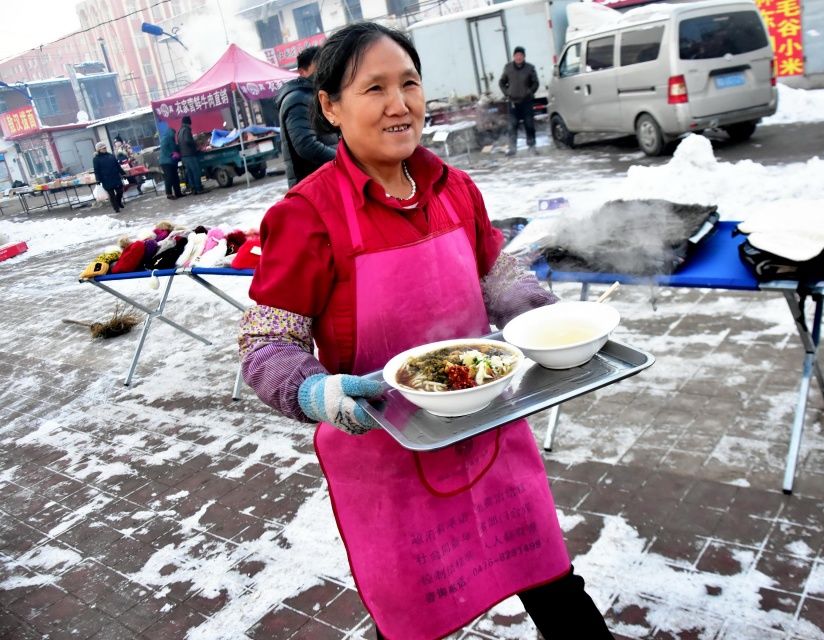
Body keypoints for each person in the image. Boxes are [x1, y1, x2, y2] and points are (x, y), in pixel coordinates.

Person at [239, 22, 613, 640]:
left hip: (491, 434)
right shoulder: (305, 215)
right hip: (391, 460)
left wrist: (545, 321)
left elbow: (498, 277)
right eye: (375, 88)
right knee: (416, 623)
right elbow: (266, 344)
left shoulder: (454, 189)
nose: (399, 103)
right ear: (329, 107)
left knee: (554, 586)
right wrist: (318, 393)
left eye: (409, 83)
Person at [277, 45, 338, 187]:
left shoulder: (318, 95)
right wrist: (341, 160)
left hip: (327, 179)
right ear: (302, 72)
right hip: (312, 184)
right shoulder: (297, 99)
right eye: (318, 66)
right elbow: (306, 145)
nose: (323, 71)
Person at [498, 45, 539, 156]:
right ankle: (512, 148)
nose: (518, 57)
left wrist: (530, 92)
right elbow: (501, 82)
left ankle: (531, 147)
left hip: (526, 102)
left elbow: (535, 83)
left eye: (521, 55)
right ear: (514, 56)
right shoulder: (508, 68)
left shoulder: (530, 68)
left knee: (529, 125)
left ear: (524, 56)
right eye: (516, 55)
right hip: (513, 102)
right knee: (512, 126)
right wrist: (507, 93)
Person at [93, 141, 125, 213]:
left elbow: (117, 165)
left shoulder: (111, 155)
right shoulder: (96, 159)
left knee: (120, 191)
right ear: (98, 150)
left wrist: (123, 173)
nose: (104, 149)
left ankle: (118, 202)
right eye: (102, 148)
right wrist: (98, 179)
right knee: (111, 194)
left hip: (115, 177)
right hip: (106, 179)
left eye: (105, 148)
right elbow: (96, 170)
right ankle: (116, 208)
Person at [177, 115, 204, 194]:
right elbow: (188, 140)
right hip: (190, 155)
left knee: (190, 173)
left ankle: (193, 189)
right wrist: (195, 143)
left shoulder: (180, 131)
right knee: (196, 172)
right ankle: (198, 188)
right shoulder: (186, 130)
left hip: (184, 156)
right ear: (188, 123)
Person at [158, 126, 183, 200]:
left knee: (175, 177)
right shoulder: (166, 138)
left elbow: (174, 148)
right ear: (170, 132)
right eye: (173, 133)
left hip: (171, 162)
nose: (174, 135)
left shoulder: (171, 139)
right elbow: (164, 147)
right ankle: (169, 194)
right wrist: (171, 154)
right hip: (166, 162)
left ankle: (178, 193)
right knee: (169, 178)